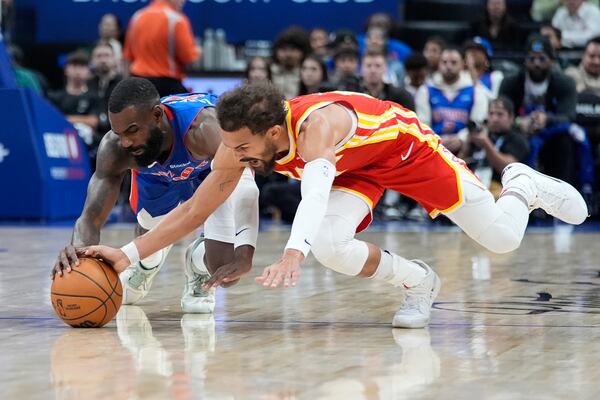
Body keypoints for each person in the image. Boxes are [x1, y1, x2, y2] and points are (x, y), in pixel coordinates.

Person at [80, 82, 588, 329]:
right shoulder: (241, 143)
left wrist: (292, 253)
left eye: (240, 148)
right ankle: (417, 281)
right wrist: (125, 255)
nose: (231, 156)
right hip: (356, 173)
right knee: (331, 244)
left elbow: (316, 188)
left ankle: (520, 184)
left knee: (502, 238)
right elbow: (191, 213)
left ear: (274, 133)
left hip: (406, 151)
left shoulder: (315, 126)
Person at [52, 77, 259, 314]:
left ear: (157, 116)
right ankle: (145, 267)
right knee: (148, 234)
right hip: (158, 177)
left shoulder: (205, 128)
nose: (126, 142)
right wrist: (78, 254)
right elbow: (91, 217)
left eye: (132, 131)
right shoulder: (116, 147)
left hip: (211, 174)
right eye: (119, 133)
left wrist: (244, 252)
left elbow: (246, 188)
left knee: (227, 271)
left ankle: (197, 265)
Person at [415, 46, 489, 154]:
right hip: (432, 148)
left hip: (467, 151)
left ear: (463, 64)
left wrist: (461, 138)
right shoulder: (425, 90)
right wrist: (436, 139)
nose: (448, 66)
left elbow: (477, 124)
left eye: (454, 62)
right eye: (444, 62)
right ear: (439, 64)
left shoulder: (475, 91)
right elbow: (422, 124)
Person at [124, 0, 200, 96]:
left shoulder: (137, 16)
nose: (183, 2)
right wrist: (197, 52)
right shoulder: (177, 20)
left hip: (137, 82)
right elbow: (188, 58)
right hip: (167, 85)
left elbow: (128, 55)